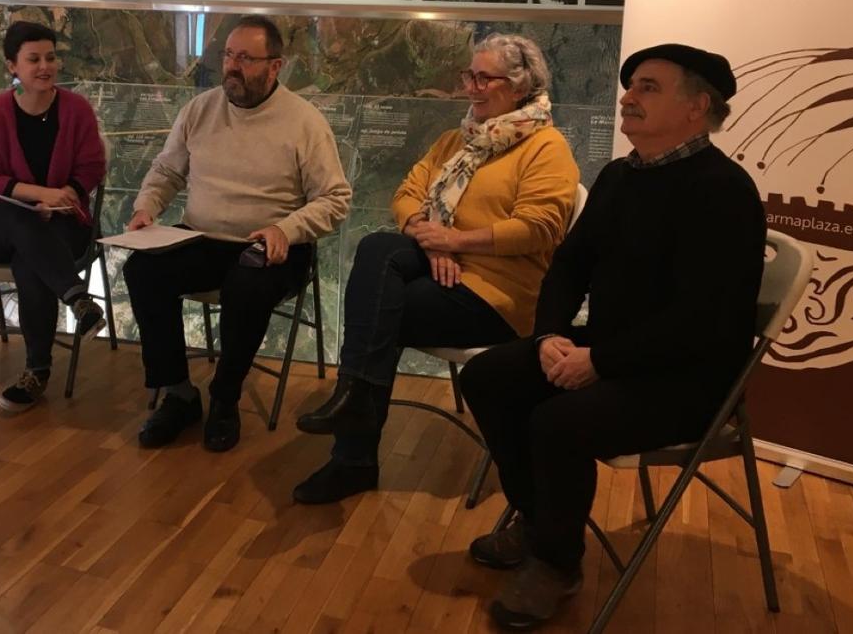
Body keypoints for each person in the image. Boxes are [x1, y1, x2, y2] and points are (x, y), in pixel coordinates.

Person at [458, 44, 765, 631]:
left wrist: (601, 360)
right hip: (612, 350)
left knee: (558, 421)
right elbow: (570, 263)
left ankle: (556, 562)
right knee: (488, 376)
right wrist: (550, 335)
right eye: (631, 87)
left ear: (697, 106)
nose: (628, 97)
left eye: (649, 87)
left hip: (689, 378)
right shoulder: (621, 176)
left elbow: (703, 320)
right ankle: (540, 520)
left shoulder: (723, 191)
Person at [292, 33, 579, 504]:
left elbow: (539, 228)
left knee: (380, 310)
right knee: (379, 248)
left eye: (484, 78)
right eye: (470, 76)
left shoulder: (546, 147)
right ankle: (356, 409)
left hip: (498, 295)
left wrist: (455, 241)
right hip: (440, 269)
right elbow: (407, 194)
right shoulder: (456, 141)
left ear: (520, 86)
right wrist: (434, 243)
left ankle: (353, 448)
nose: (471, 87)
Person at [123, 15, 351, 453]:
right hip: (202, 236)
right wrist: (146, 208)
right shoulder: (200, 109)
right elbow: (167, 170)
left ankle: (225, 398)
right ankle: (179, 393)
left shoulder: (304, 122)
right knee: (142, 271)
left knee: (246, 286)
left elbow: (335, 199)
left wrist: (286, 228)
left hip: (272, 245)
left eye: (246, 58)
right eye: (228, 55)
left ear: (275, 66)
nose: (232, 66)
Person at [0, 21, 108, 413]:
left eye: (51, 57)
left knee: (30, 259)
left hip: (62, 221)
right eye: (34, 59)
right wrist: (39, 195)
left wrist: (65, 197)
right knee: (22, 223)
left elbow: (92, 168)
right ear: (13, 66)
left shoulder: (76, 109)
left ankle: (36, 371)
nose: (45, 66)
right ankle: (77, 296)